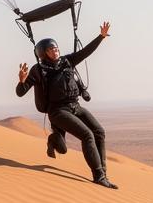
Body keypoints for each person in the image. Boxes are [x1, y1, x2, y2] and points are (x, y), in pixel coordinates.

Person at [16, 21, 117, 189]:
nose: (55, 51)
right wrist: (21, 81)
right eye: (51, 49)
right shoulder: (38, 71)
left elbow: (85, 53)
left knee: (99, 132)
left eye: (56, 48)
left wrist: (101, 37)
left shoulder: (67, 61)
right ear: (43, 53)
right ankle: (98, 177)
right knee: (87, 135)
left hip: (75, 106)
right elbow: (20, 92)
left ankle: (103, 174)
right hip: (58, 111)